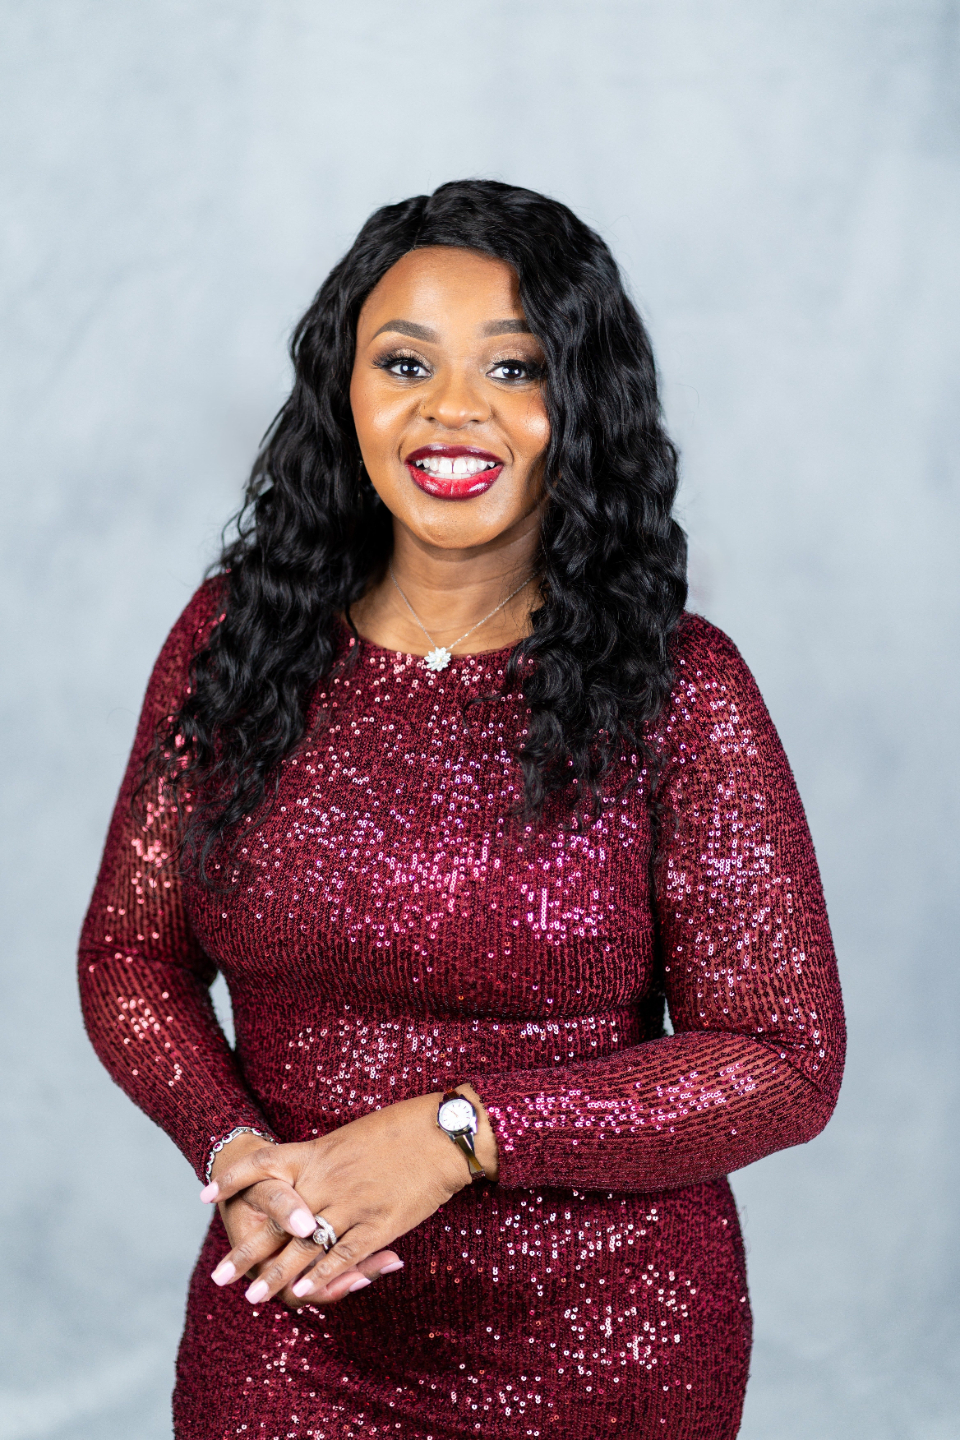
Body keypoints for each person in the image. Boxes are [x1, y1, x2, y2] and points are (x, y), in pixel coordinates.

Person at [79, 179, 845, 1440]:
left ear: (578, 403)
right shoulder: (234, 643)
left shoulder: (679, 689)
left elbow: (784, 1060)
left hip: (607, 1343)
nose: (452, 408)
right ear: (345, 393)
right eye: (404, 362)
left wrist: (459, 1133)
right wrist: (232, 1154)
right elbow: (129, 955)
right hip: (295, 1313)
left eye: (513, 366)